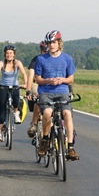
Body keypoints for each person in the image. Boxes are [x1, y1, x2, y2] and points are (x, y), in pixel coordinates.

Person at [34, 30, 79, 160]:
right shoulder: (41, 59)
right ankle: (45, 140)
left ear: (59, 43)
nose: (51, 45)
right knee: (47, 112)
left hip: (62, 92)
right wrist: (48, 80)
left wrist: (62, 80)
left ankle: (70, 147)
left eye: (54, 42)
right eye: (49, 43)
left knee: (67, 114)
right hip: (46, 92)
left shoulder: (67, 59)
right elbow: (38, 79)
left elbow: (71, 79)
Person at [0, 45, 27, 142]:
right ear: (5, 54)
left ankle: (15, 112)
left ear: (14, 54)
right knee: (2, 109)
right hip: (3, 87)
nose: (9, 55)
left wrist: (26, 83)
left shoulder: (18, 63)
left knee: (16, 100)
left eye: (11, 53)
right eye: (7, 53)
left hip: (14, 86)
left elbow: (24, 73)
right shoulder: (2, 63)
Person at [25, 41, 48, 138]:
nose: (45, 53)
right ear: (41, 50)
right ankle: (34, 124)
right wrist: (28, 90)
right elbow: (31, 76)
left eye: (46, 51)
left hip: (50, 86)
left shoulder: (55, 59)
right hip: (38, 84)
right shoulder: (36, 60)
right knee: (38, 101)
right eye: (43, 51)